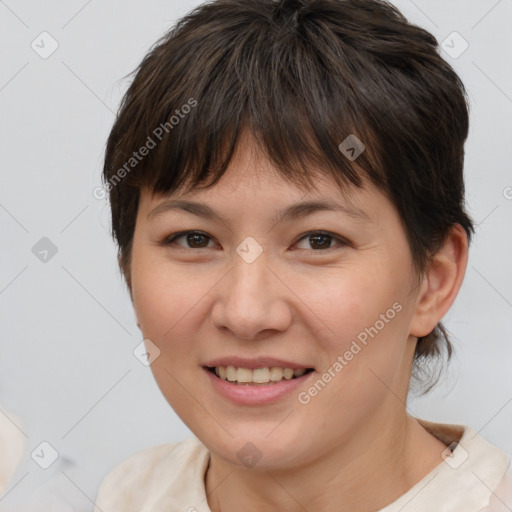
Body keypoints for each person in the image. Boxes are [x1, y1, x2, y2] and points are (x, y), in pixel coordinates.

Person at [93, 0, 512, 510]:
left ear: (433, 280)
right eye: (194, 239)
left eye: (318, 240)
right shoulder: (128, 495)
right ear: (128, 267)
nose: (246, 313)